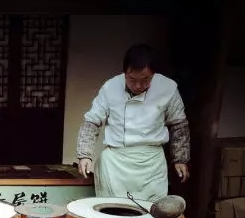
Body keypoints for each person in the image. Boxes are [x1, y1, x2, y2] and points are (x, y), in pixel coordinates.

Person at [76, 43, 190, 202]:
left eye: (145, 80)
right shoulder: (110, 87)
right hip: (115, 163)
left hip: (151, 163)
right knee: (113, 211)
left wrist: (180, 159)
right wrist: (84, 155)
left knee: (150, 214)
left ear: (153, 74)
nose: (138, 85)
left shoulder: (168, 88)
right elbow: (91, 122)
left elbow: (178, 125)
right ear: (125, 72)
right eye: (131, 79)